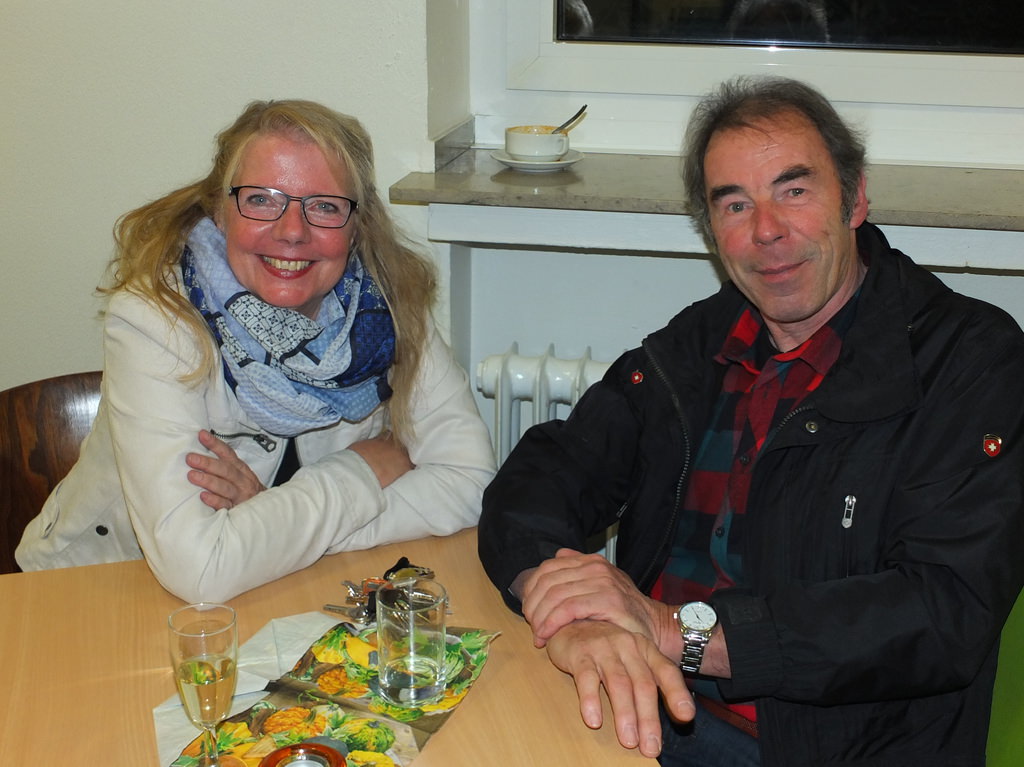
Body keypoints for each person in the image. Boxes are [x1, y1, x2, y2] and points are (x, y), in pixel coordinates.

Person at [478, 75, 1024, 766]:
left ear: (855, 198)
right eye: (735, 204)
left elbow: (939, 613)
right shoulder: (700, 344)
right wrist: (566, 607)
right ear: (712, 231)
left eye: (793, 190)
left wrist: (676, 631)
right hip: (647, 701)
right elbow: (548, 470)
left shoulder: (969, 361)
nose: (766, 230)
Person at [17, 99, 496, 603]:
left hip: (291, 585)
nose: (292, 231)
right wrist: (360, 471)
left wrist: (273, 513)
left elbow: (470, 481)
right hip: (101, 592)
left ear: (357, 224)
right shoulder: (154, 320)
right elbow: (200, 570)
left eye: (324, 206)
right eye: (262, 200)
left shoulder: (386, 310)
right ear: (219, 210)